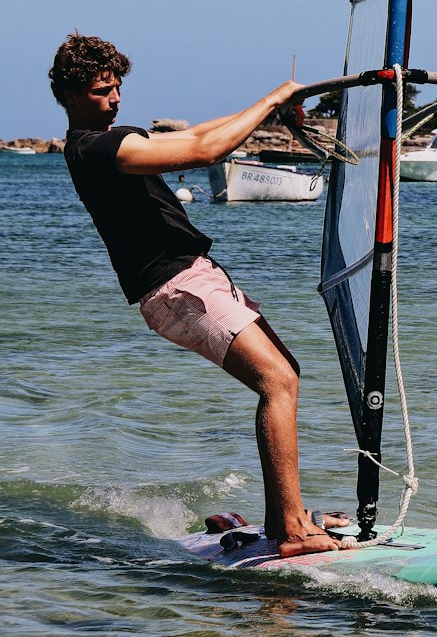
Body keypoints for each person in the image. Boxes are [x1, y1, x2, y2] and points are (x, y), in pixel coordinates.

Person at [50, 31, 350, 558]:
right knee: (276, 382)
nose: (115, 98)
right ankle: (291, 531)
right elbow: (206, 150)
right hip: (177, 287)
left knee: (287, 372)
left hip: (195, 276)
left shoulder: (119, 138)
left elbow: (207, 131)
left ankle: (288, 511)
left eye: (118, 87)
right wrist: (273, 100)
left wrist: (265, 108)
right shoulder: (95, 148)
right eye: (102, 90)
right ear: (70, 95)